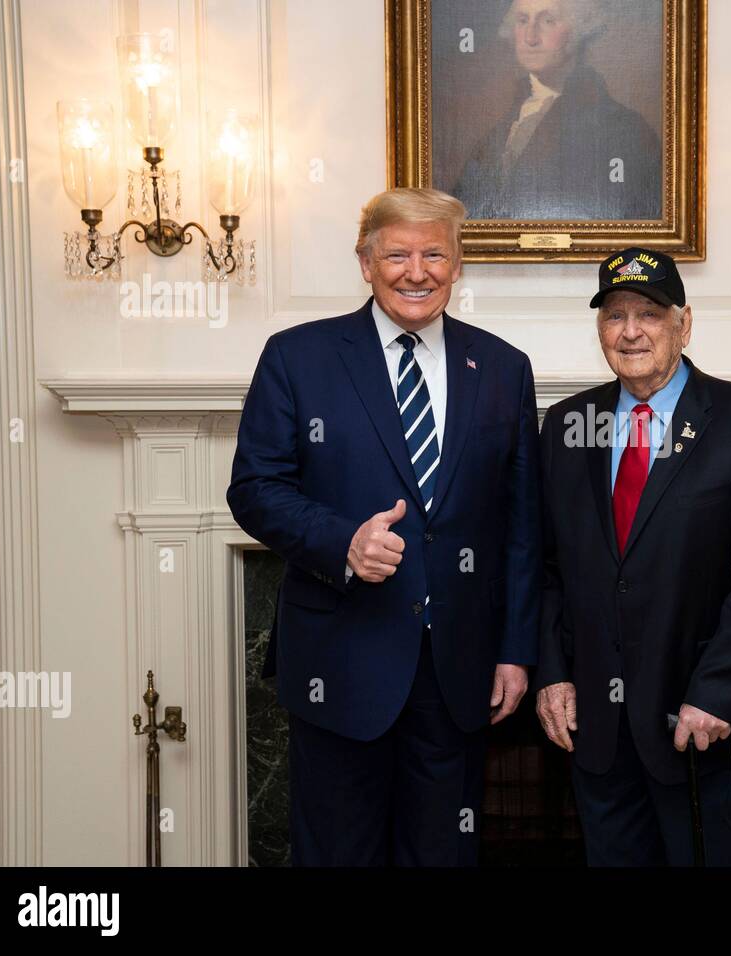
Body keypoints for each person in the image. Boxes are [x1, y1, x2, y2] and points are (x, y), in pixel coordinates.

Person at [226, 188, 541, 865]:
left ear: (458, 266)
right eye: (397, 254)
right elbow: (254, 489)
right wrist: (342, 541)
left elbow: (521, 527)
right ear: (365, 263)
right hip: (340, 661)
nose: (417, 271)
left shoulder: (504, 369)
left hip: (458, 670)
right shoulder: (297, 357)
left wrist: (515, 650)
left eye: (435, 254)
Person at [534, 246, 731, 866]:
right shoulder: (568, 425)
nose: (630, 331)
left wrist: (718, 694)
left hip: (702, 724)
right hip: (595, 730)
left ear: (684, 323)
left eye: (649, 313)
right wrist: (552, 672)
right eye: (614, 315)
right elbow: (544, 567)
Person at [454, 0, 661, 221]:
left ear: (579, 30)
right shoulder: (499, 132)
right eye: (522, 20)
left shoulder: (624, 130)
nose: (530, 37)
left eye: (548, 21)